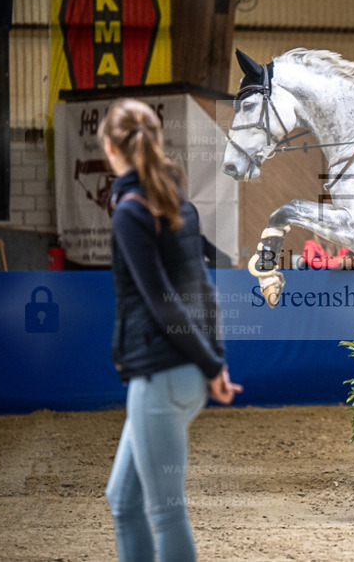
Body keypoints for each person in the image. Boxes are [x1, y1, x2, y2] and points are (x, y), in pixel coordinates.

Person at [100, 98, 242, 561]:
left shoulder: (131, 212)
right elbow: (203, 287)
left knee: (165, 512)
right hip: (180, 374)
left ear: (108, 146)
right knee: (124, 499)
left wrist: (210, 362)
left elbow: (163, 302)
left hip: (160, 375)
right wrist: (213, 361)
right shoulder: (174, 201)